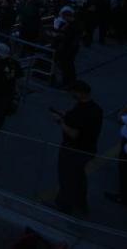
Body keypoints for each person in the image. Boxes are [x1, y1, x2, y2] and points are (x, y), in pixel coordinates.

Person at [52, 81, 103, 214]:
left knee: (66, 178)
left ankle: (63, 205)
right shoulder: (96, 109)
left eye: (72, 92)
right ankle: (80, 204)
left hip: (73, 150)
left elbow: (74, 133)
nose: (70, 94)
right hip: (89, 148)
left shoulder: (81, 111)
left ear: (79, 93)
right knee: (79, 178)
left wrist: (60, 121)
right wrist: (67, 116)